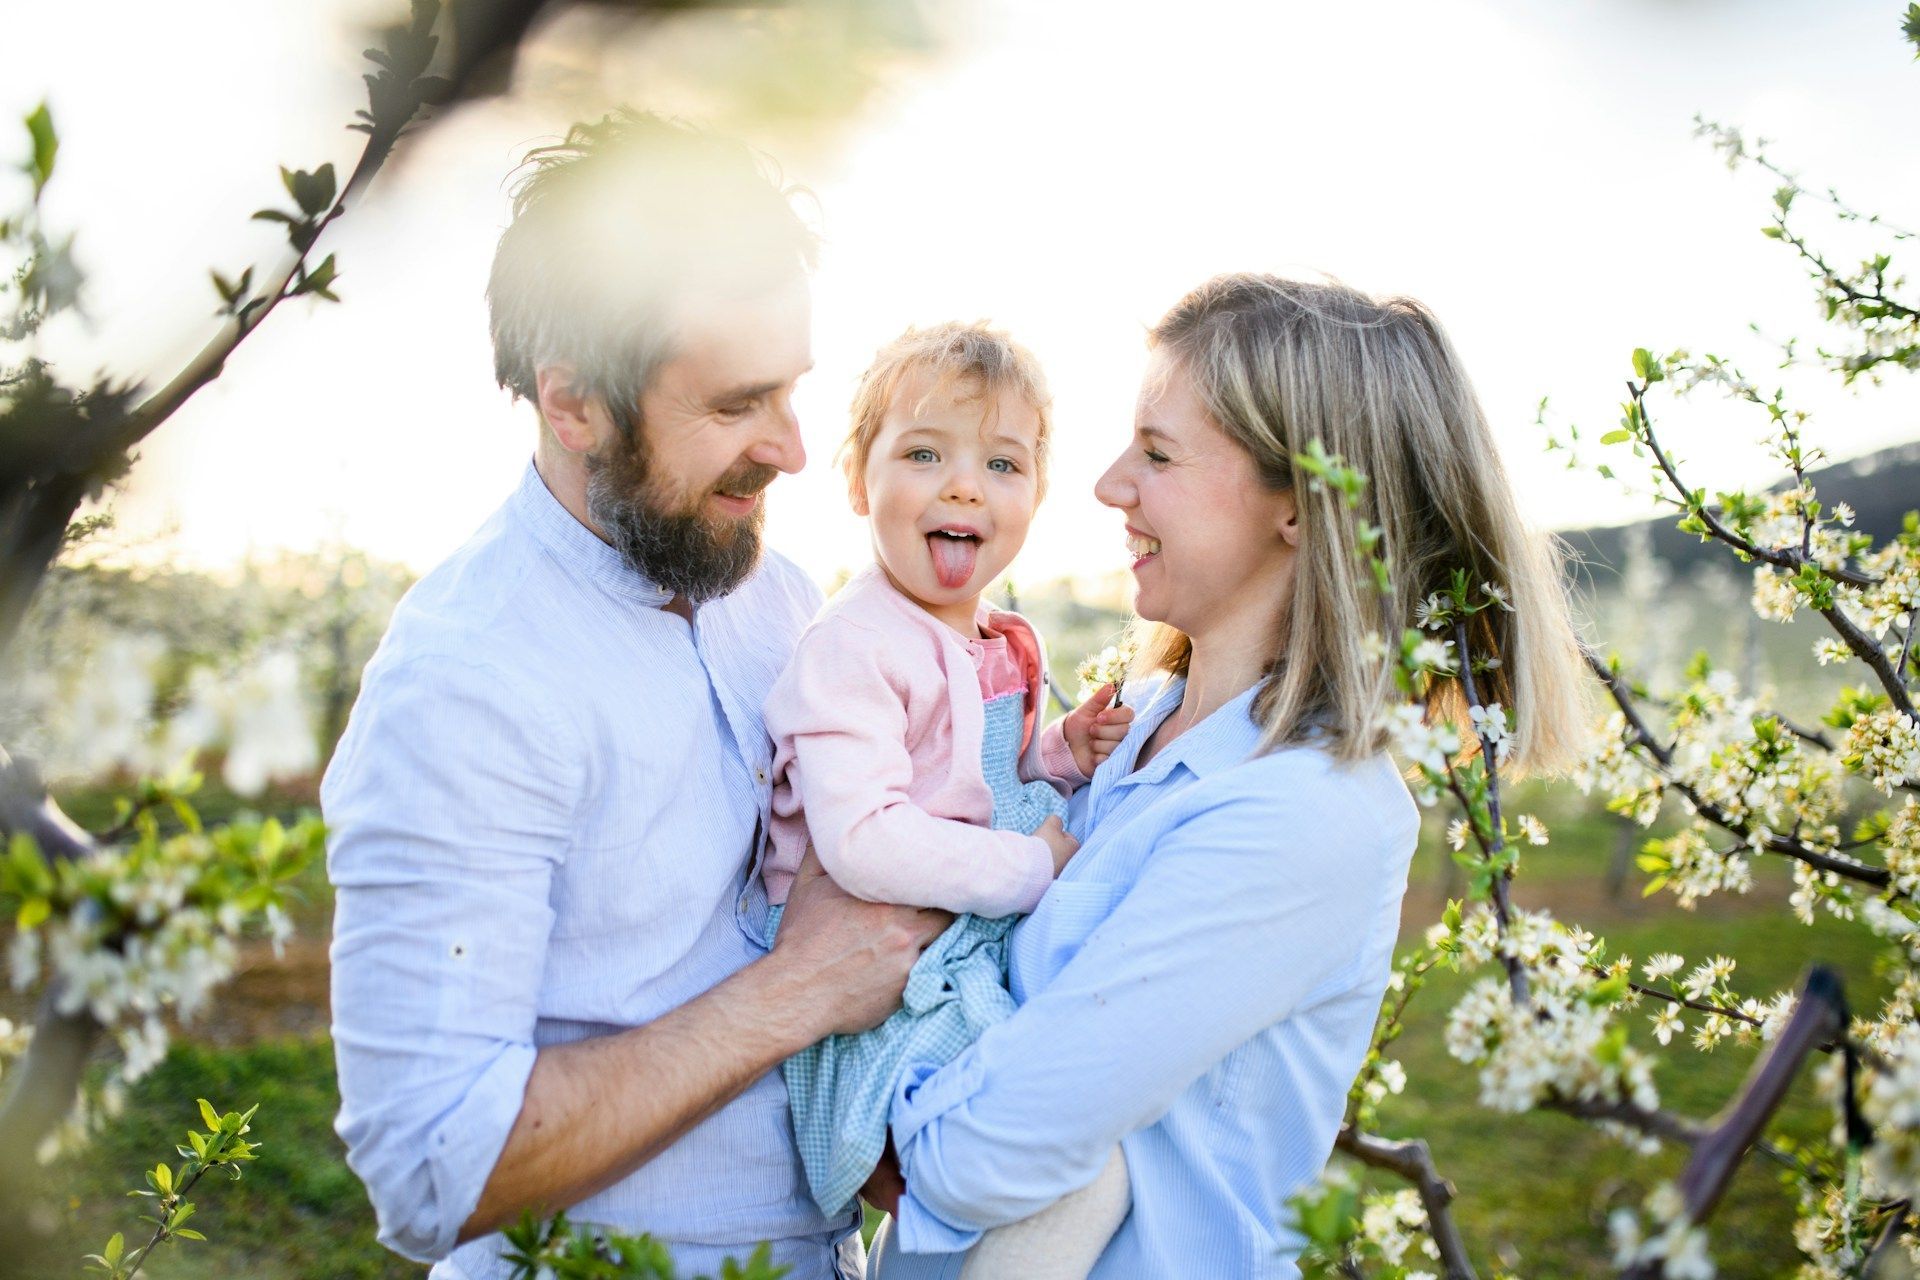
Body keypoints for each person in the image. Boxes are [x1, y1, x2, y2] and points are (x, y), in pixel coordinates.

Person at [322, 111, 946, 1280]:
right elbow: (430, 1165)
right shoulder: (467, 685)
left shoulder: (777, 596)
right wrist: (801, 988)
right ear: (573, 406)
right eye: (734, 405)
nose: (795, 449)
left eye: (791, 390)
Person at [866, 275, 1592, 1278]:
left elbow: (984, 1154)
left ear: (1297, 507)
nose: (1110, 483)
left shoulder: (1306, 809)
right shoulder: (1131, 732)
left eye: (1158, 454)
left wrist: (851, 1102)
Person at [758, 323, 1133, 1279]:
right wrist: (1037, 867)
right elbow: (867, 841)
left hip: (952, 941)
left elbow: (977, 776)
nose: (963, 485)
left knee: (1048, 1147)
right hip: (874, 981)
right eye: (925, 453)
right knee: (1025, 1149)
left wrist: (1057, 751)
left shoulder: (999, 639)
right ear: (857, 481)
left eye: (1001, 464)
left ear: (1035, 498)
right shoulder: (856, 646)